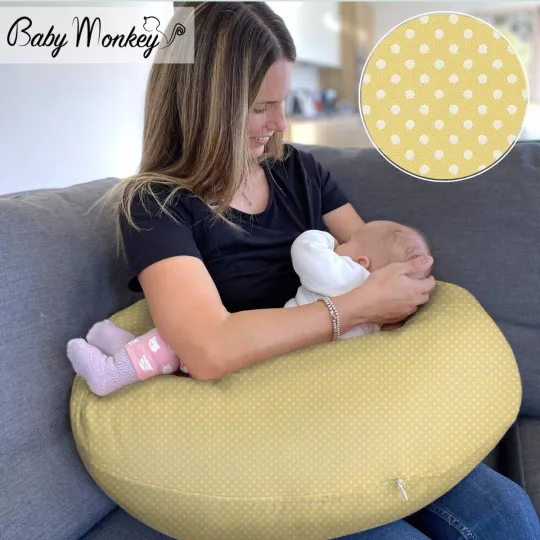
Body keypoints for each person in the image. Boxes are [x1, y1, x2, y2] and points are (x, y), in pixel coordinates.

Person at [75, 3, 540, 537]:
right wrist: (356, 307)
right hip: (276, 417)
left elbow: (372, 257)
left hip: (348, 389)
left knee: (507, 513)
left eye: (282, 103)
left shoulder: (299, 172)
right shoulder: (155, 206)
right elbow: (208, 349)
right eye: (260, 108)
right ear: (205, 108)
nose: (280, 125)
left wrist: (404, 283)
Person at [66, 220, 433, 393]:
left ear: (364, 263)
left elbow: (305, 249)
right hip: (293, 373)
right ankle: (123, 349)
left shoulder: (343, 272)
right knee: (183, 344)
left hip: (264, 357)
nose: (280, 123)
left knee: (174, 343)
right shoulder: (381, 309)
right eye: (262, 107)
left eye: (349, 241)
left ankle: (113, 370)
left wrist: (327, 240)